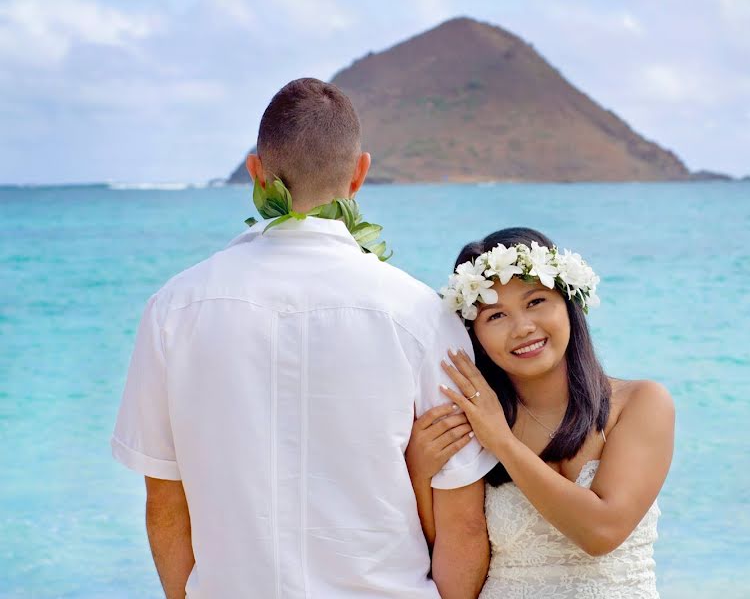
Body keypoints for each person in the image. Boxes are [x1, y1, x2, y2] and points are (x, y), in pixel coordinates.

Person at [110, 78, 497, 599]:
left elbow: (165, 506)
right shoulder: (421, 314)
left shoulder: (172, 309)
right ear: (360, 173)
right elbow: (463, 524)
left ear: (256, 174)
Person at [406, 227, 675, 598]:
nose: (523, 328)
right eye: (495, 316)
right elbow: (452, 555)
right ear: (474, 334)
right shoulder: (469, 419)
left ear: (569, 300)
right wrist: (419, 472)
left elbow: (602, 532)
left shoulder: (641, 403)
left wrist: (501, 441)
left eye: (535, 302)